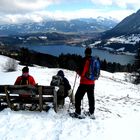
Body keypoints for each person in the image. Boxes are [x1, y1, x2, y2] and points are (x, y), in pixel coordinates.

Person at [71, 47, 100, 119]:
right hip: (92, 83)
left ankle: (77, 112)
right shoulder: (94, 60)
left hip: (84, 83)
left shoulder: (84, 60)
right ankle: (91, 113)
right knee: (91, 98)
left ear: (85, 52)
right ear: (91, 52)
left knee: (78, 97)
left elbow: (82, 73)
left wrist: (77, 71)